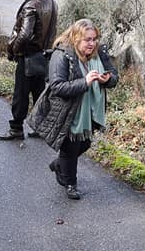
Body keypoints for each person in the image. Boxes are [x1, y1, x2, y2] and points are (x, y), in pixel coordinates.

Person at [26, 19, 118, 200]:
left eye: (94, 39)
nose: (92, 44)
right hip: (67, 111)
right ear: (76, 39)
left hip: (90, 109)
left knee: (84, 143)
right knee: (71, 146)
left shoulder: (99, 54)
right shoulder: (62, 55)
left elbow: (114, 76)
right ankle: (70, 183)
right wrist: (85, 82)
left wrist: (107, 79)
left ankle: (59, 165)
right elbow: (58, 87)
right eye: (87, 40)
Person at [0, 0, 58, 141]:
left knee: (21, 94)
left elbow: (24, 34)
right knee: (39, 92)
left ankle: (16, 129)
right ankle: (40, 127)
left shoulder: (31, 5)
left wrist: (14, 51)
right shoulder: (52, 2)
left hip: (28, 56)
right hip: (44, 56)